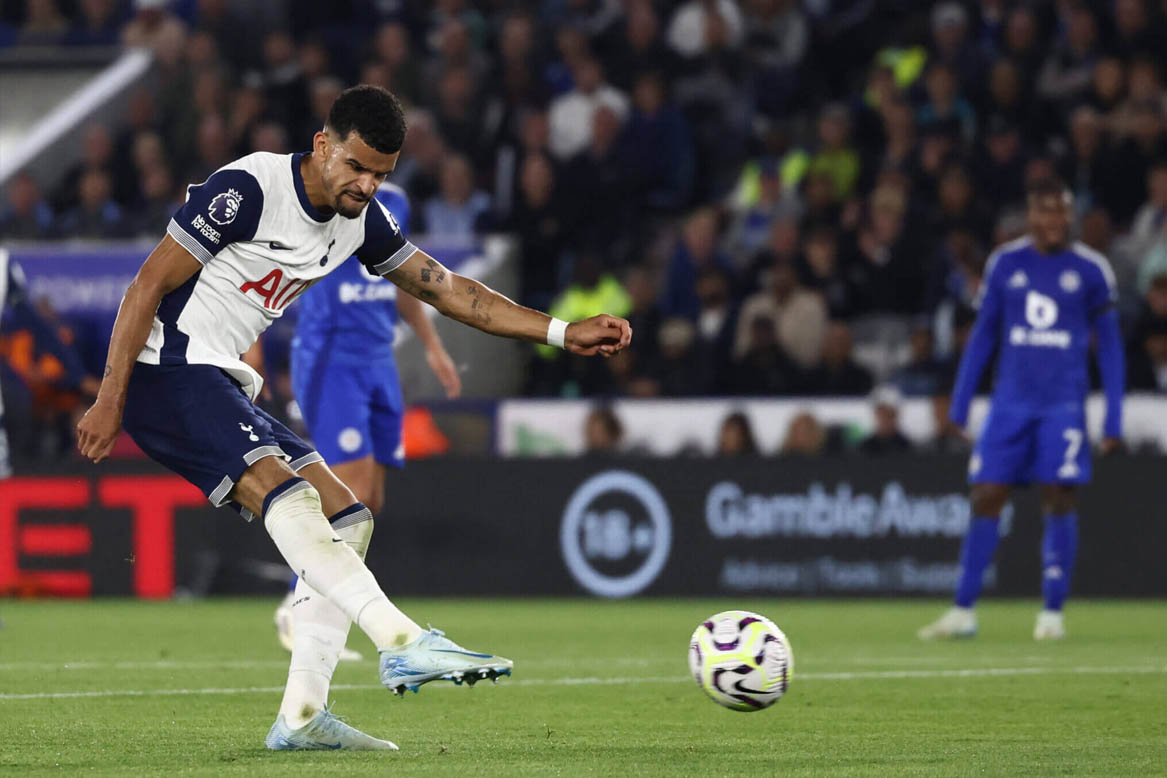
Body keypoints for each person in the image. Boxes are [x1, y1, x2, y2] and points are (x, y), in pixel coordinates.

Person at [75, 85, 631, 751]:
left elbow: (451, 291)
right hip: (165, 369)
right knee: (291, 493)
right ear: (321, 144)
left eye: (381, 175)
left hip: (218, 376)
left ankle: (304, 717)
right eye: (357, 166)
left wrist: (562, 332)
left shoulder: (362, 224)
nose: (366, 185)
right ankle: (402, 641)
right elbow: (146, 286)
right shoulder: (250, 188)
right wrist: (110, 397)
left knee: (347, 515)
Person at [918, 177, 1124, 643]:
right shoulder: (1006, 263)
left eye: (1060, 211)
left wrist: (1113, 418)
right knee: (986, 494)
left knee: (1059, 497)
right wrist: (960, 401)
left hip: (1062, 406)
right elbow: (984, 334)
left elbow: (1110, 348)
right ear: (1030, 216)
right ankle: (963, 610)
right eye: (1043, 210)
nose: (1051, 219)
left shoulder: (1092, 270)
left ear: (1070, 216)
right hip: (1009, 405)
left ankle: (1052, 614)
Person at [271, 180, 462, 661]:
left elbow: (404, 278)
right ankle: (297, 608)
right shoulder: (325, 188)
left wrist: (432, 346)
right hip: (332, 356)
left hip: (379, 359)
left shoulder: (395, 201)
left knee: (370, 500)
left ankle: (319, 611)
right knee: (347, 491)